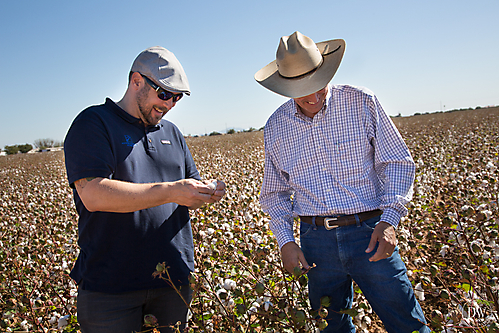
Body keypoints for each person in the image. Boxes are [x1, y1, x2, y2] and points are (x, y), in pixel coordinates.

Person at [255, 32, 429, 332]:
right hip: (315, 241)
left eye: (317, 85)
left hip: (369, 232)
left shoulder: (361, 102)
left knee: (406, 323)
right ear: (284, 87)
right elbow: (275, 193)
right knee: (330, 326)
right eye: (301, 90)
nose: (312, 96)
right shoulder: (275, 127)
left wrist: (389, 221)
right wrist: (285, 241)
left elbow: (397, 163)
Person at [64, 46, 226, 333]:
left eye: (176, 98)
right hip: (110, 289)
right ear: (136, 81)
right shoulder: (93, 123)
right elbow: (93, 194)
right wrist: (170, 191)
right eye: (164, 94)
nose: (170, 104)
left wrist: (206, 193)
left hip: (172, 283)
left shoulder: (172, 133)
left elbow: (188, 189)